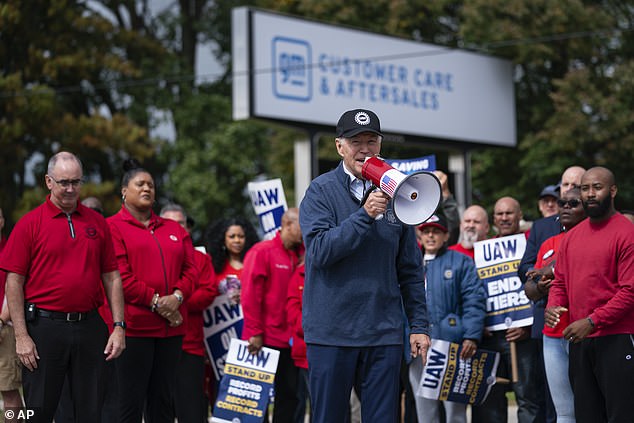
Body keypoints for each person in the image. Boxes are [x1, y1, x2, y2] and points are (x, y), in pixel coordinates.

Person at [299, 109, 430, 423]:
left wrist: (419, 325)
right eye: (356, 141)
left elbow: (410, 270)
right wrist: (364, 216)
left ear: (380, 144)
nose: (365, 149)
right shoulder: (320, 191)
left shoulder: (398, 192)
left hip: (382, 333)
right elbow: (319, 252)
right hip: (332, 333)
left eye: (372, 140)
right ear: (339, 147)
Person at [0, 152, 125, 423]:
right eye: (63, 182)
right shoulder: (29, 224)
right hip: (44, 328)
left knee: (90, 411)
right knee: (38, 411)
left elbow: (112, 276)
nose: (70, 189)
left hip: (89, 326)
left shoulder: (97, 222)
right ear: (48, 181)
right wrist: (21, 336)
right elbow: (14, 281)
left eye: (76, 182)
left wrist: (118, 326)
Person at [102, 159, 197, 423]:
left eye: (151, 185)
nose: (147, 188)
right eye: (140, 184)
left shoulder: (174, 229)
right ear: (124, 191)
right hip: (135, 330)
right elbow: (120, 275)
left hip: (171, 331)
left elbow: (192, 270)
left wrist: (176, 298)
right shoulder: (112, 227)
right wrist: (157, 303)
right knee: (129, 403)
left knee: (163, 402)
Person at [545, 167, 634, 423]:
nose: (591, 194)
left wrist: (593, 321)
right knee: (586, 416)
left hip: (617, 338)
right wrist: (553, 305)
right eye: (585, 189)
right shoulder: (571, 237)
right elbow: (560, 281)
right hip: (580, 341)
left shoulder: (626, 234)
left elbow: (630, 291)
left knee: (621, 416)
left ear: (613, 190)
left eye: (598, 187)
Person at [518, 165, 585, 423]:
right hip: (552, 333)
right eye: (562, 199)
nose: (566, 204)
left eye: (573, 200)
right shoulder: (546, 239)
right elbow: (529, 281)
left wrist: (553, 270)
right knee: (561, 411)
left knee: (589, 405)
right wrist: (539, 286)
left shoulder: (594, 235)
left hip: (584, 330)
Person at [472, 196, 544, 423]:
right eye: (500, 214)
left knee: (527, 397)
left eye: (509, 213)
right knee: (491, 399)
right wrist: (479, 326)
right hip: (491, 338)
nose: (504, 218)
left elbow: (539, 290)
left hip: (523, 338)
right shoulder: (482, 251)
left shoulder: (530, 246)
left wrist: (527, 326)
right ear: (494, 219)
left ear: (520, 216)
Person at [408, 213, 486, 423]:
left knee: (455, 413)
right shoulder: (410, 263)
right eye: (426, 231)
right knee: (425, 412)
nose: (431, 236)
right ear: (419, 234)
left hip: (452, 347)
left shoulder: (460, 261)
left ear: (446, 236)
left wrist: (471, 335)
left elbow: (474, 300)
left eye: (436, 232)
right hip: (418, 349)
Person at [241, 208, 303, 422]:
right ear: (287, 225)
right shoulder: (262, 252)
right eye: (302, 225)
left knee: (289, 397)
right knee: (257, 400)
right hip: (265, 338)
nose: (307, 230)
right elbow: (249, 296)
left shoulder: (301, 255)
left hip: (291, 340)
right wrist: (254, 332)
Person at [161, 204, 218, 423]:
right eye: (170, 223)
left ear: (188, 228)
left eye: (181, 223)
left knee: (191, 409)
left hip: (189, 345)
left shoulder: (200, 259)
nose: (176, 228)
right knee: (159, 407)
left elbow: (208, 292)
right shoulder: (150, 254)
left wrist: (175, 302)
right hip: (155, 342)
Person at [204, 217, 259, 406]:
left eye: (241, 236)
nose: (237, 240)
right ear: (223, 240)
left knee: (253, 395)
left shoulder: (255, 263)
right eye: (232, 236)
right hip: (222, 342)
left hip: (251, 338)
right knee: (222, 394)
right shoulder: (213, 266)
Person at [0, 207, 25, 419]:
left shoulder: (10, 249)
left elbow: (16, 288)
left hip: (4, 329)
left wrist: (1, 320)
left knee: (8, 390)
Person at [286, 262, 310, 423]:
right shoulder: (299, 274)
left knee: (323, 403)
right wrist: (311, 329)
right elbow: (292, 308)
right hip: (303, 352)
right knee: (300, 400)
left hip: (329, 350)